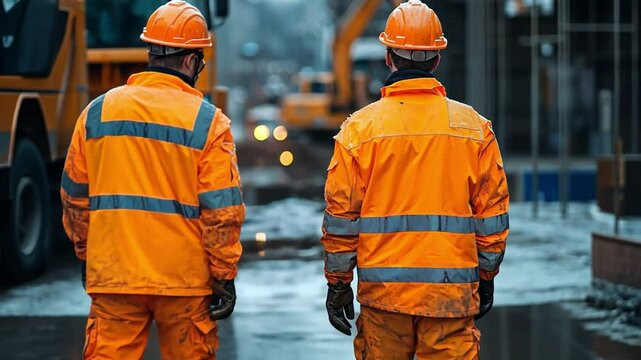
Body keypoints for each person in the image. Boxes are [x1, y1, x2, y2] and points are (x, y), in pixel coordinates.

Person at [321, 1, 509, 358]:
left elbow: (341, 219)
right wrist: (485, 278)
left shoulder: (359, 131)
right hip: (450, 297)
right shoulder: (474, 129)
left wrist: (338, 284)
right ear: (436, 60)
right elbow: (492, 218)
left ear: (389, 57)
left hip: (383, 300)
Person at [60, 1, 244, 358]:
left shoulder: (96, 113)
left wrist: (87, 253)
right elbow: (223, 210)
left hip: (114, 274)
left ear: (150, 53)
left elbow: (73, 196)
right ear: (191, 61)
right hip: (184, 282)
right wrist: (223, 273)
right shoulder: (208, 122)